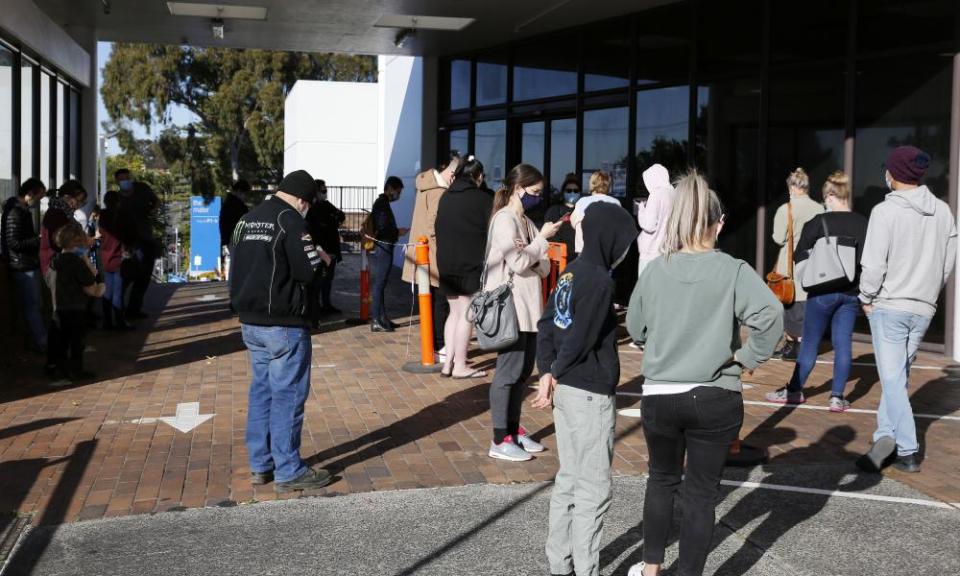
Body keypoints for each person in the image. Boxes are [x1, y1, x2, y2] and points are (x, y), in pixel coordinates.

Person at [624, 171, 782, 576]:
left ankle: (650, 570)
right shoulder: (732, 270)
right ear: (720, 223)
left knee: (661, 480)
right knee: (701, 494)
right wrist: (746, 358)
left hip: (661, 394)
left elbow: (636, 328)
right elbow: (770, 317)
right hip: (714, 394)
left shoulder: (655, 271)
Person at [533, 202, 637, 576]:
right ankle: (585, 570)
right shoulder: (600, 280)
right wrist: (556, 371)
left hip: (565, 390)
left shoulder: (572, 273)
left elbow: (548, 324)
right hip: (589, 391)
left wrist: (547, 371)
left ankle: (560, 565)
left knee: (569, 482)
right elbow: (582, 336)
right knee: (593, 490)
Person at [230, 170, 333, 492]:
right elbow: (308, 270)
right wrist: (323, 260)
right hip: (284, 323)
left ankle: (261, 464)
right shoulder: (291, 221)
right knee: (288, 395)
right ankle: (288, 469)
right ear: (303, 200)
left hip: (250, 321)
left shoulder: (247, 219)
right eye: (309, 204)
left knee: (261, 391)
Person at [856, 146, 957, 475]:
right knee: (895, 378)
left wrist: (866, 297)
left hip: (890, 306)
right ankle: (883, 442)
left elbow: (873, 263)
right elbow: (948, 263)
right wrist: (929, 294)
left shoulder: (885, 212)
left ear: (893, 173)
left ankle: (909, 450)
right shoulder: (942, 211)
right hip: (922, 308)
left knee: (893, 381)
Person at [766, 172, 867, 412]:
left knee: (810, 343)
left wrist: (807, 281)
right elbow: (869, 261)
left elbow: (798, 256)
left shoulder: (818, 222)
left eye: (826, 198)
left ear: (831, 196)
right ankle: (837, 397)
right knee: (843, 344)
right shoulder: (863, 223)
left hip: (821, 293)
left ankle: (794, 390)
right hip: (850, 295)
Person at [484, 164, 562, 462]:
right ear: (519, 189)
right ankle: (499, 437)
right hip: (511, 307)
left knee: (523, 372)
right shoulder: (505, 220)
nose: (538, 197)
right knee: (508, 372)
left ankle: (513, 430)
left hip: (529, 308)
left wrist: (532, 250)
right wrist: (539, 242)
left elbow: (542, 266)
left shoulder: (526, 221)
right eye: (535, 192)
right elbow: (519, 263)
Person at [435, 155, 493, 378]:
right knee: (467, 313)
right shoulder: (482, 199)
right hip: (471, 262)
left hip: (446, 262)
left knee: (454, 312)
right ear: (477, 176)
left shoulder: (446, 197)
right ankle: (460, 365)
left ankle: (447, 363)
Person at [403, 152, 460, 356]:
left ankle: (434, 346)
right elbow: (435, 226)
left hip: (423, 255)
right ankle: (439, 346)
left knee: (433, 301)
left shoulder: (424, 185)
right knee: (440, 302)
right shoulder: (439, 192)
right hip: (434, 255)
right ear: (452, 175)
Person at [771, 167, 824, 360]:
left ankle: (795, 346)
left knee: (790, 305)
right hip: (813, 263)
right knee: (806, 306)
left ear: (792, 187)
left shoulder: (786, 210)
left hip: (790, 266)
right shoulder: (820, 208)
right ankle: (799, 344)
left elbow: (778, 238)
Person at [47, 221, 105, 381]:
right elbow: (93, 290)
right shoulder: (77, 263)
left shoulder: (53, 262)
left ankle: (58, 369)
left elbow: (48, 282)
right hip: (76, 308)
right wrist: (100, 282)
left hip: (58, 309)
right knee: (76, 343)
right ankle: (76, 371)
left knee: (60, 342)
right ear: (77, 242)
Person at [2, 178, 47, 353]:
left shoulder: (20, 211)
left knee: (33, 306)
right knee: (33, 306)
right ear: (30, 193)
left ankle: (36, 340)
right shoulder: (15, 212)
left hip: (25, 264)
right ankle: (41, 342)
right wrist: (38, 240)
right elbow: (13, 242)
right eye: (39, 196)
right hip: (23, 266)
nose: (39, 201)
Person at [369, 176, 409, 333]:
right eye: (397, 192)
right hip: (384, 246)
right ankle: (376, 320)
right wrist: (397, 232)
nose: (397, 195)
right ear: (390, 188)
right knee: (379, 284)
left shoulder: (383, 203)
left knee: (382, 283)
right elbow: (383, 227)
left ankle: (383, 318)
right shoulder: (381, 204)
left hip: (386, 245)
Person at [118, 173, 159, 319]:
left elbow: (156, 201)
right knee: (129, 275)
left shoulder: (142, 189)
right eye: (121, 180)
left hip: (146, 238)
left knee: (144, 276)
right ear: (117, 182)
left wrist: (152, 210)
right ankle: (118, 307)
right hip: (130, 241)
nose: (125, 182)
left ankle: (134, 308)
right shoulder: (119, 200)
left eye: (127, 178)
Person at [305, 179, 346, 323]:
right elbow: (315, 230)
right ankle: (315, 308)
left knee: (328, 279)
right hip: (321, 250)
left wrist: (333, 220)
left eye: (325, 190)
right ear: (315, 192)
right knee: (319, 280)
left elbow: (340, 216)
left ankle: (327, 305)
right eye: (322, 191)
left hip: (332, 248)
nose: (325, 193)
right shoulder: (311, 209)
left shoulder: (327, 205)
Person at [97, 191, 135, 330]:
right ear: (118, 202)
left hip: (105, 257)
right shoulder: (122, 217)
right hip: (119, 258)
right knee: (118, 293)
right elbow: (130, 235)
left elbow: (100, 234)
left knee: (107, 291)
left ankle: (107, 321)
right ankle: (120, 322)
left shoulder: (103, 216)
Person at [635, 163, 676, 278]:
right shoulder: (673, 193)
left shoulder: (656, 194)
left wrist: (641, 210)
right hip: (667, 251)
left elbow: (649, 225)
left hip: (651, 252)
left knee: (646, 292)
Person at [41, 180, 87, 276]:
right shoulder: (57, 213)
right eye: (77, 201)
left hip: (59, 264)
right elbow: (56, 242)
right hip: (55, 267)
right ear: (66, 196)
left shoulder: (63, 212)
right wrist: (82, 240)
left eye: (81, 202)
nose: (77, 205)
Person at [571, 170, 622, 254]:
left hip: (584, 252)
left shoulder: (582, 202)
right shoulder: (616, 203)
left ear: (592, 183)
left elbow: (574, 223)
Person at [543, 173, 580, 264]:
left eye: (575, 191)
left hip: (580, 261)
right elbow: (549, 235)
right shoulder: (554, 210)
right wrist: (560, 253)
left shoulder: (583, 211)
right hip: (560, 261)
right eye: (569, 190)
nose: (572, 193)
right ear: (563, 192)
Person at [220, 179, 250, 285]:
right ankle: (236, 285)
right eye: (244, 194)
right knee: (238, 263)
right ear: (239, 191)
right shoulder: (236, 205)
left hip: (231, 239)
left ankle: (235, 285)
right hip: (236, 239)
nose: (245, 197)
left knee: (235, 262)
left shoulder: (228, 203)